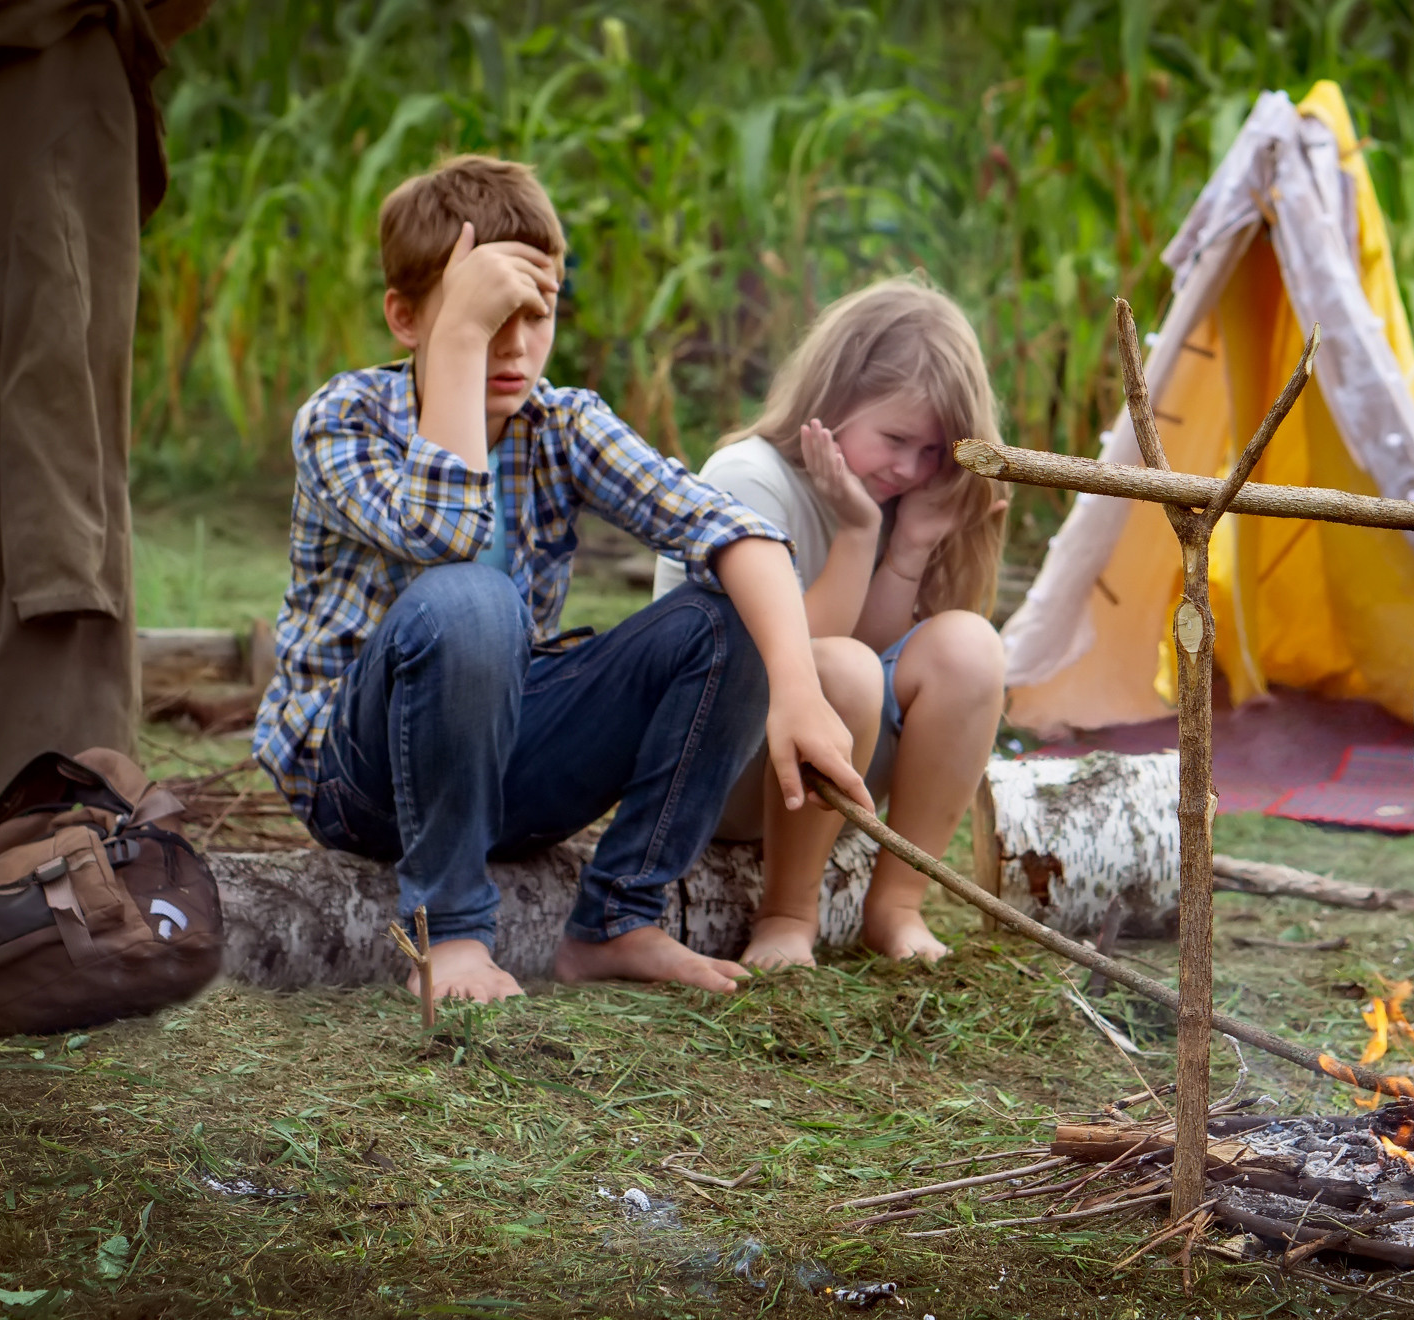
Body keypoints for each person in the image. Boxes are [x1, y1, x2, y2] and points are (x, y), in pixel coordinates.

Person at [251, 155, 870, 1003]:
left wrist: (796, 688)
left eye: (533, 314)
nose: (514, 346)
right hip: (356, 782)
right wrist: (459, 344)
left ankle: (619, 917)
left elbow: (736, 528)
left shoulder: (563, 420)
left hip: (504, 764)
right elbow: (446, 538)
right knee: (474, 598)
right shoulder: (344, 417)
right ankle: (454, 934)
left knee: (736, 609)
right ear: (405, 315)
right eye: (486, 316)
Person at [654, 278, 1009, 969]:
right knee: (837, 669)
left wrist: (908, 547)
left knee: (970, 648)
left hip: (808, 766)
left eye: (934, 452)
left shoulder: (886, 490)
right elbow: (780, 657)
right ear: (834, 396)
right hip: (711, 761)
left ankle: (896, 903)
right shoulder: (750, 478)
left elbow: (871, 657)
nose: (911, 468)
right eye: (898, 438)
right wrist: (856, 531)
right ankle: (788, 913)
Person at [0, 0, 212, 816]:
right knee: (43, 435)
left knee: (50, 438)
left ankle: (51, 794)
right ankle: (43, 804)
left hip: (63, 88)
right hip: (48, 84)